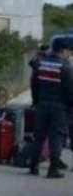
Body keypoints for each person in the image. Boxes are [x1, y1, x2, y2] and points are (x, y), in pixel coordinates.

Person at [29, 36, 73, 178]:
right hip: (60, 108)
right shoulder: (66, 67)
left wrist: (36, 101)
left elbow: (34, 85)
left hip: (42, 104)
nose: (70, 54)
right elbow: (70, 91)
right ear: (63, 50)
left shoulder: (40, 64)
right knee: (56, 136)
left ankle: (34, 166)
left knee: (39, 136)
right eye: (69, 51)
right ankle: (53, 168)